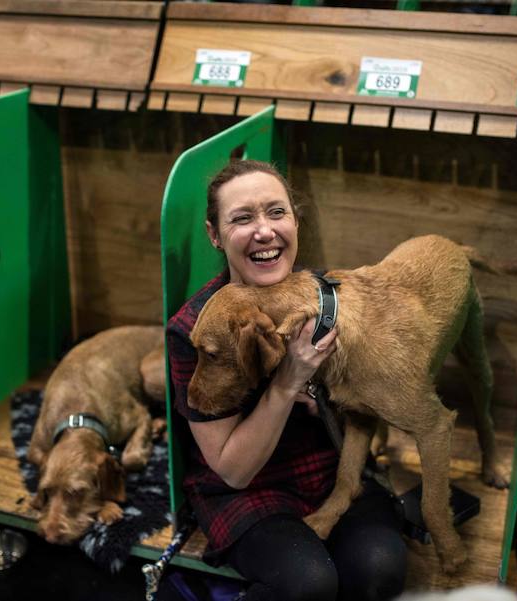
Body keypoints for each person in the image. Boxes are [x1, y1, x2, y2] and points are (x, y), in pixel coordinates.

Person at [166, 160, 407, 601]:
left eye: (277, 212)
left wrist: (335, 403)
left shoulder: (327, 303)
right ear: (214, 235)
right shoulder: (194, 329)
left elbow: (375, 412)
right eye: (242, 218)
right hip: (248, 490)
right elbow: (233, 470)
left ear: (296, 221)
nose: (264, 231)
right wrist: (288, 381)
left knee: (380, 570)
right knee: (308, 584)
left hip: (331, 470)